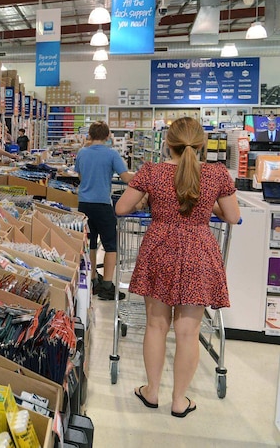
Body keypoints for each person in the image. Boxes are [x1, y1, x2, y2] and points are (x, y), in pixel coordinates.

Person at [115, 117, 240, 418]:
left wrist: (149, 200)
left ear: (166, 144)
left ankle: (151, 391)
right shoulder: (216, 174)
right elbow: (233, 216)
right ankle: (180, 400)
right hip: (199, 249)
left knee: (156, 326)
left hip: (159, 247)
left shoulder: (151, 172)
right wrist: (205, 202)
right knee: (188, 332)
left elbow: (121, 208)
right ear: (201, 145)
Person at [74, 121, 134, 301]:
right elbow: (125, 177)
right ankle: (107, 285)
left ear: (90, 135)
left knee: (90, 243)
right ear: (108, 136)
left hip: (84, 204)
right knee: (110, 245)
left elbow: (79, 175)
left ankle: (92, 280)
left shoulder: (82, 153)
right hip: (103, 204)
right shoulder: (111, 154)